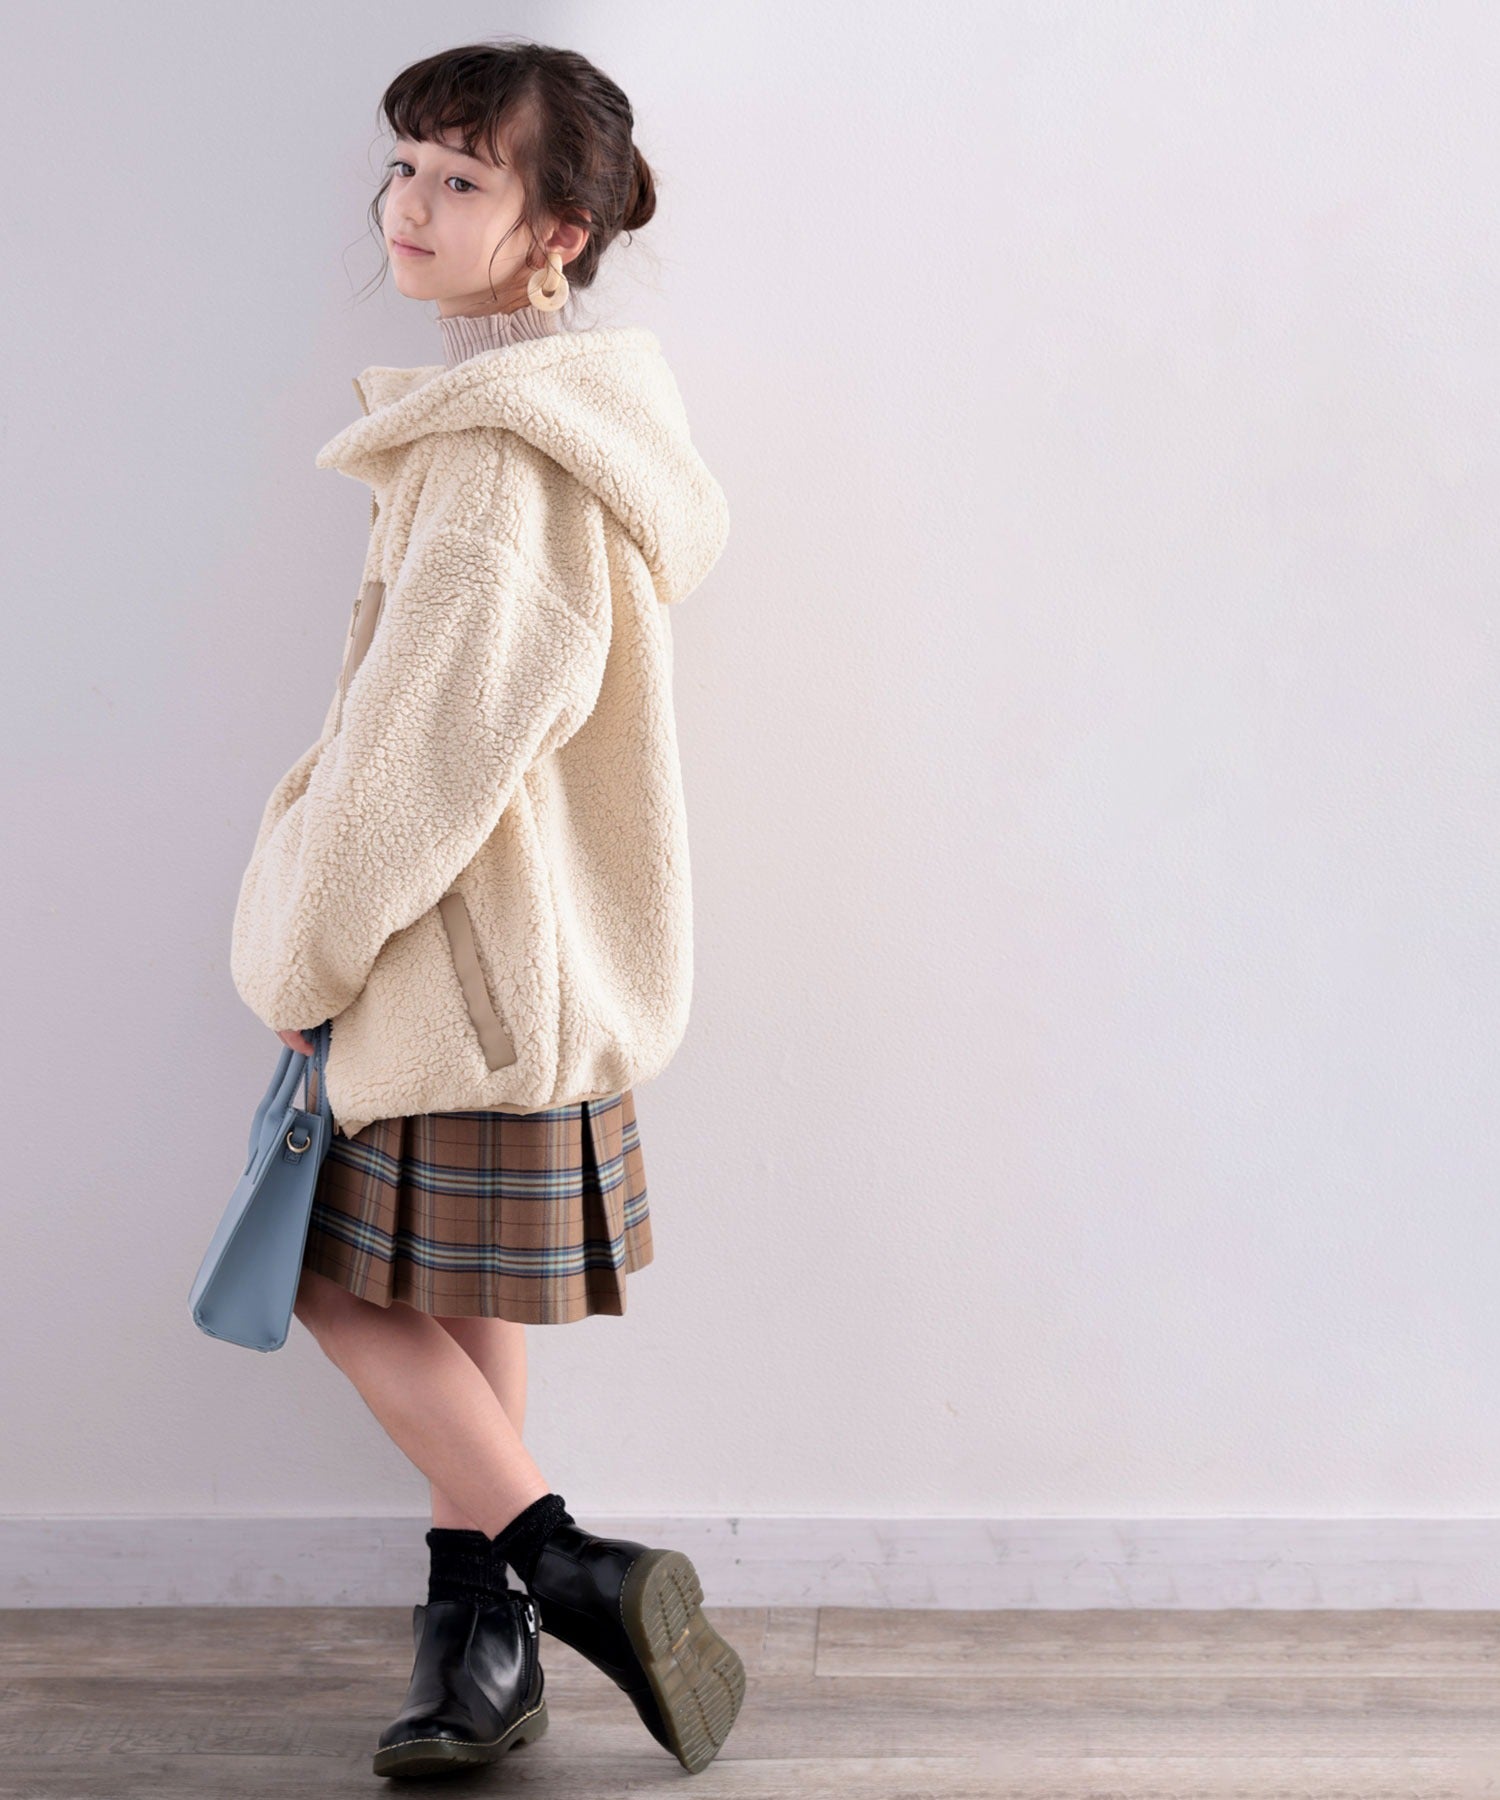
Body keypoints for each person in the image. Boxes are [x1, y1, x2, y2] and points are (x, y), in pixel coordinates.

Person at [227, 39, 742, 1781]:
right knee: (457, 1301)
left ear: (555, 233)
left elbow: (420, 764)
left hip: (455, 958)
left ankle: (563, 1565)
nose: (410, 204)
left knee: (328, 1283)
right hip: (527, 966)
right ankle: (484, 1650)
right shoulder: (546, 425)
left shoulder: (502, 461)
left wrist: (307, 947)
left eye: (463, 178)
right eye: (404, 166)